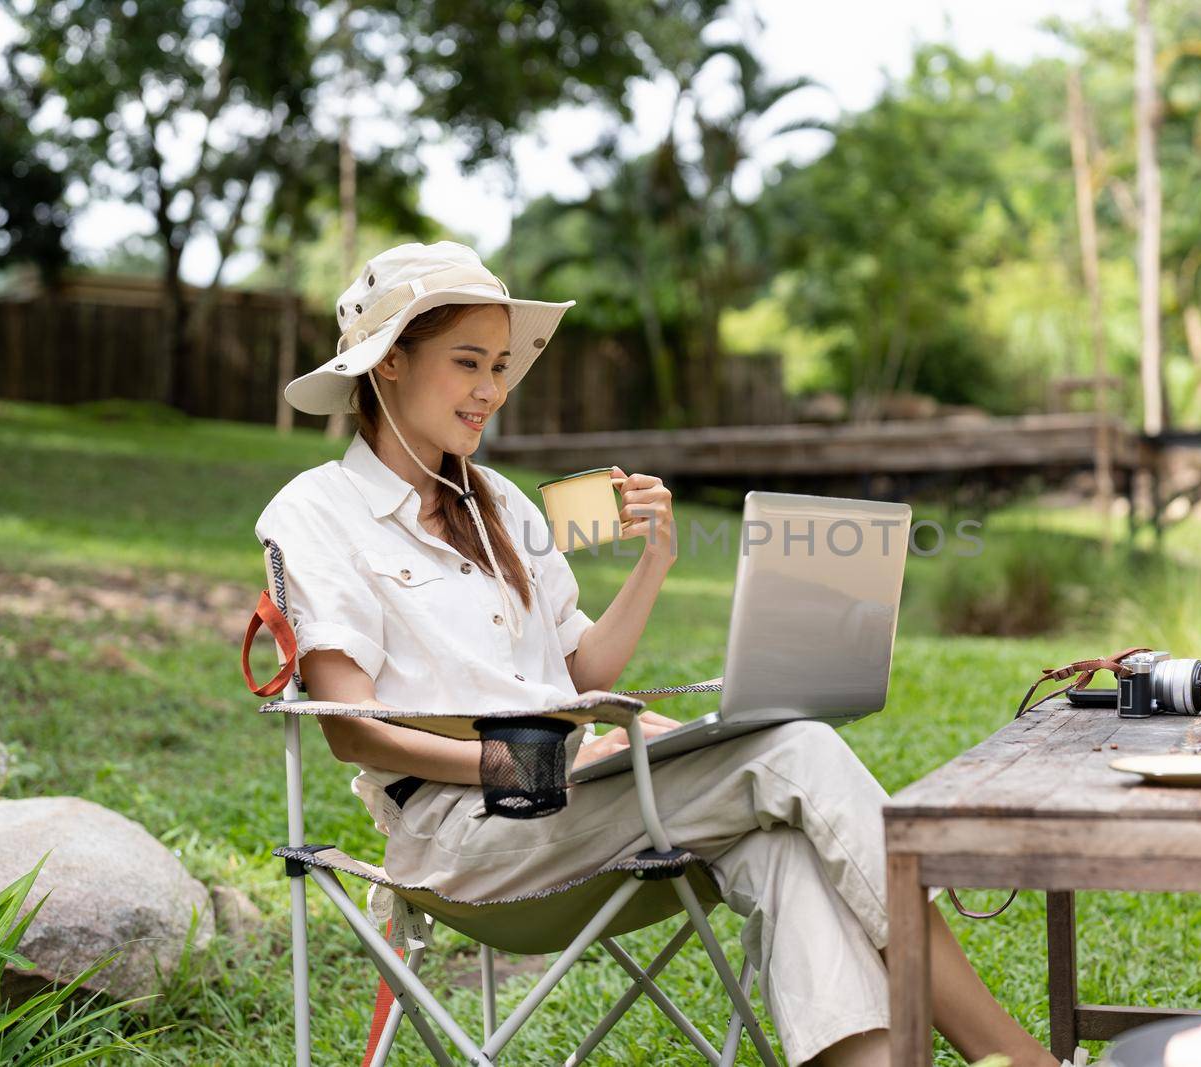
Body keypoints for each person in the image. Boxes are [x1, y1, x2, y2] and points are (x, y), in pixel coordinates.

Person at [255, 241, 1060, 1067]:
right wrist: (538, 766)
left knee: (780, 844)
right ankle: (1023, 1060)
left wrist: (655, 562)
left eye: (499, 365)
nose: (492, 390)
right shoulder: (318, 511)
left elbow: (585, 675)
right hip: (464, 835)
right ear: (388, 364)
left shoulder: (496, 500)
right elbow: (351, 729)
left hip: (579, 807)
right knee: (797, 750)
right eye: (468, 363)